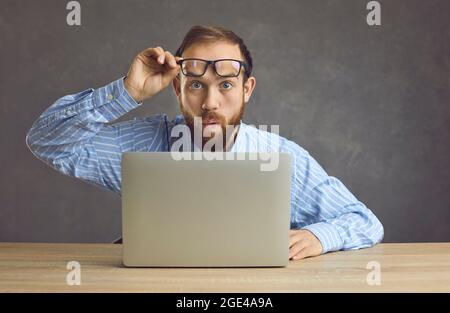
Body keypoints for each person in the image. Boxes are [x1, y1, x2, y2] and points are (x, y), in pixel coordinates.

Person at [26, 25, 384, 260]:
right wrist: (127, 92)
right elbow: (48, 141)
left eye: (226, 85)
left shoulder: (281, 155)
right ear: (178, 88)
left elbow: (364, 220)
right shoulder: (143, 143)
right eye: (196, 85)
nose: (211, 103)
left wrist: (320, 236)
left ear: (247, 90)